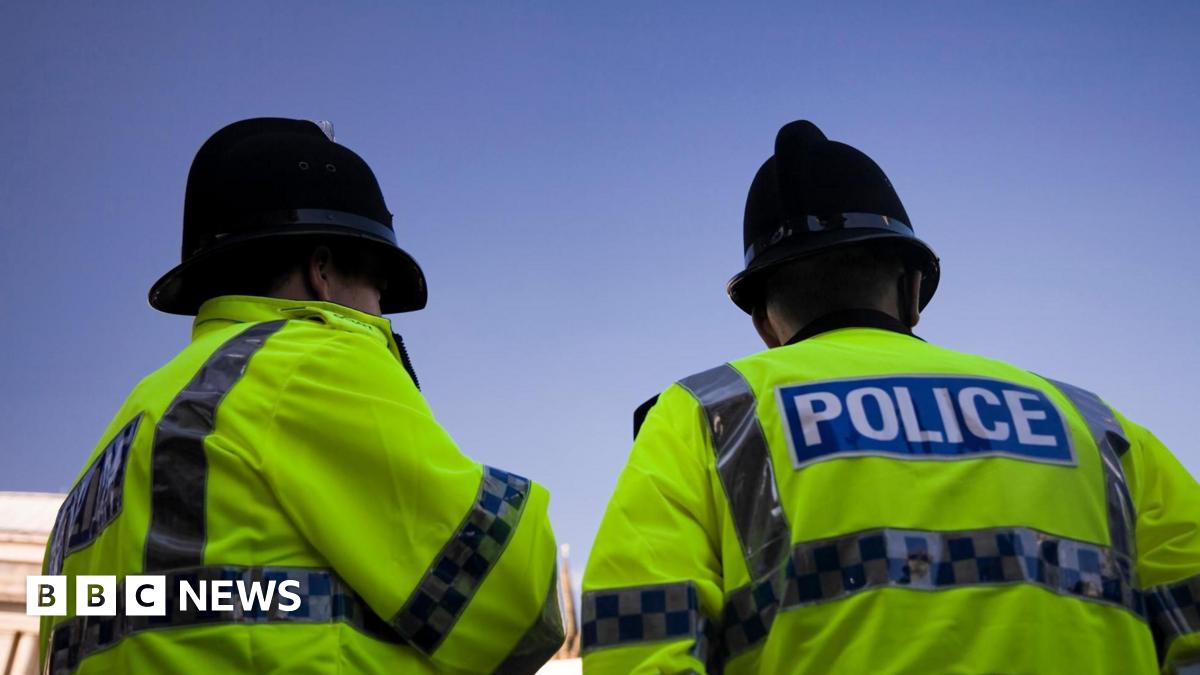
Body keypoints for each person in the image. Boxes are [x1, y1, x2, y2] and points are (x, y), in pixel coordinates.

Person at [582, 120, 1200, 673]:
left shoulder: (707, 415)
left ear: (763, 322)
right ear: (912, 289)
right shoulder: (1094, 425)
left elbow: (638, 637)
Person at [39, 118, 564, 674]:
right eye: (379, 287)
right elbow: (515, 603)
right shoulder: (309, 361)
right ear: (323, 271)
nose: (381, 312)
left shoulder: (119, 443)